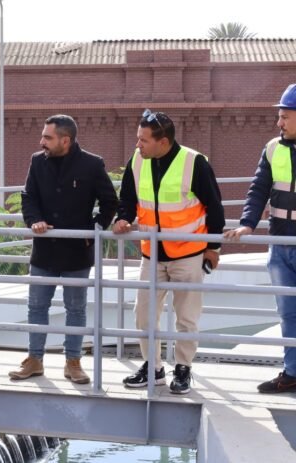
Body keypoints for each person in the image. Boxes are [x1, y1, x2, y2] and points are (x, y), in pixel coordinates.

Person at [112, 109, 225, 394]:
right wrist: (123, 218)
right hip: (151, 253)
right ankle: (153, 368)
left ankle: (183, 369)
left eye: (143, 140)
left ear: (163, 142)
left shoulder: (194, 162)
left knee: (186, 317)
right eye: (138, 138)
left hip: (188, 253)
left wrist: (213, 248)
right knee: (143, 314)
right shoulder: (138, 160)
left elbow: (214, 207)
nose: (138, 145)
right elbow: (127, 198)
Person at [8, 115, 118, 383]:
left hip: (77, 251)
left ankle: (73, 362)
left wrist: (93, 230)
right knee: (36, 306)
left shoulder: (92, 164)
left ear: (65, 140)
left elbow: (110, 202)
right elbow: (28, 197)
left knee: (76, 309)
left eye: (48, 137)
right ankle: (34, 360)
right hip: (44, 249)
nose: (42, 142)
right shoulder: (37, 161)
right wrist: (34, 220)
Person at [224, 83, 296, 393]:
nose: (279, 122)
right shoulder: (272, 148)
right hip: (279, 244)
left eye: (285, 116)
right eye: (279, 116)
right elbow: (258, 189)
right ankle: (292, 372)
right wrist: (247, 225)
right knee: (288, 313)